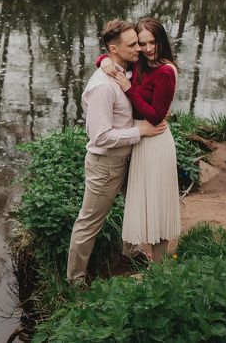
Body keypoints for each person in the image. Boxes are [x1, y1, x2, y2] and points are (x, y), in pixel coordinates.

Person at [66, 19, 168, 283]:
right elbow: (100, 136)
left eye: (139, 42)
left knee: (134, 205)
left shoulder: (128, 67)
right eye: (133, 44)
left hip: (129, 158)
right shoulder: (102, 87)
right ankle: (75, 282)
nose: (140, 49)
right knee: (89, 223)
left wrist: (102, 59)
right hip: (106, 164)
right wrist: (140, 132)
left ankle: (130, 253)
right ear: (114, 49)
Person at [98, 16, 181, 262]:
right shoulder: (141, 64)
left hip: (155, 142)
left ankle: (160, 269)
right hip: (139, 140)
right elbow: (113, 57)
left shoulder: (166, 71)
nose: (147, 49)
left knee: (157, 204)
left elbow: (155, 116)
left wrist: (127, 88)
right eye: (142, 44)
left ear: (161, 41)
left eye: (152, 42)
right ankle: (147, 260)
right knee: (144, 201)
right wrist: (102, 60)